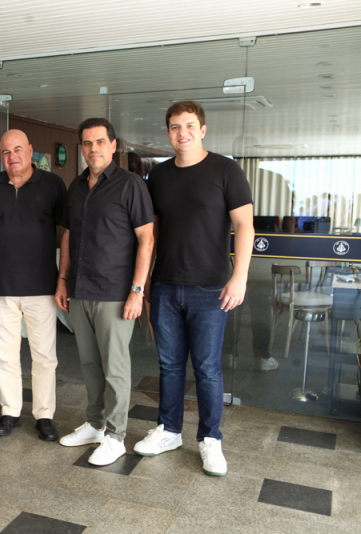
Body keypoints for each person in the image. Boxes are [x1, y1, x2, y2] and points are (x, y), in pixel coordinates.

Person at [133, 101, 254, 477]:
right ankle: (169, 430)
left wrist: (240, 277)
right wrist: (146, 280)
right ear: (167, 133)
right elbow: (150, 233)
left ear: (202, 129)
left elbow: (245, 227)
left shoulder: (226, 169)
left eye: (188, 125)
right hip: (167, 286)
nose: (181, 133)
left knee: (206, 369)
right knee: (169, 365)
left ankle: (210, 439)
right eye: (174, 127)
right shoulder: (159, 176)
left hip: (212, 289)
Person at [54, 118, 154, 466]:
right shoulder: (77, 187)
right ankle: (95, 424)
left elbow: (146, 239)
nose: (93, 148)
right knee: (89, 363)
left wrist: (137, 291)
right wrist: (63, 280)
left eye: (100, 142)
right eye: (86, 143)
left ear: (113, 146)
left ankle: (115, 436)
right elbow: (68, 236)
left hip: (115, 291)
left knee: (115, 368)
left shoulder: (131, 186)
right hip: (80, 289)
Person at [0, 129, 67, 441]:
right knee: (5, 356)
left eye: (17, 150)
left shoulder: (53, 185)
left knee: (44, 357)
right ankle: (10, 411)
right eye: (5, 152)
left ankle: (44, 415)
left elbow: (65, 234)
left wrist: (63, 278)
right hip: (1, 285)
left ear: (30, 150)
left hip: (42, 286)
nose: (12, 157)